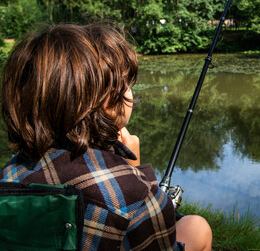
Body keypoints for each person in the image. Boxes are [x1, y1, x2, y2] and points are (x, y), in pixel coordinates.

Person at [0, 24, 212, 251]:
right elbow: (158, 241)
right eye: (127, 84)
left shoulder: (10, 173)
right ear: (109, 103)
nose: (131, 91)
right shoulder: (133, 193)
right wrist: (137, 174)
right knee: (197, 227)